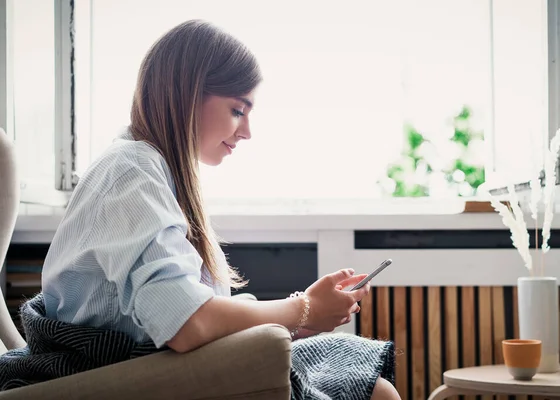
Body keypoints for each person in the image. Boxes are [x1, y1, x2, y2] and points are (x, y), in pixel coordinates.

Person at [3, 20, 399, 399]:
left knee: (367, 381)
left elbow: (192, 317)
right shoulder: (133, 172)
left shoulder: (151, 169)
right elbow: (187, 324)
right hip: (114, 373)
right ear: (188, 95)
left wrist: (302, 317)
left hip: (141, 365)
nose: (246, 132)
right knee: (374, 391)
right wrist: (303, 309)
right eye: (237, 110)